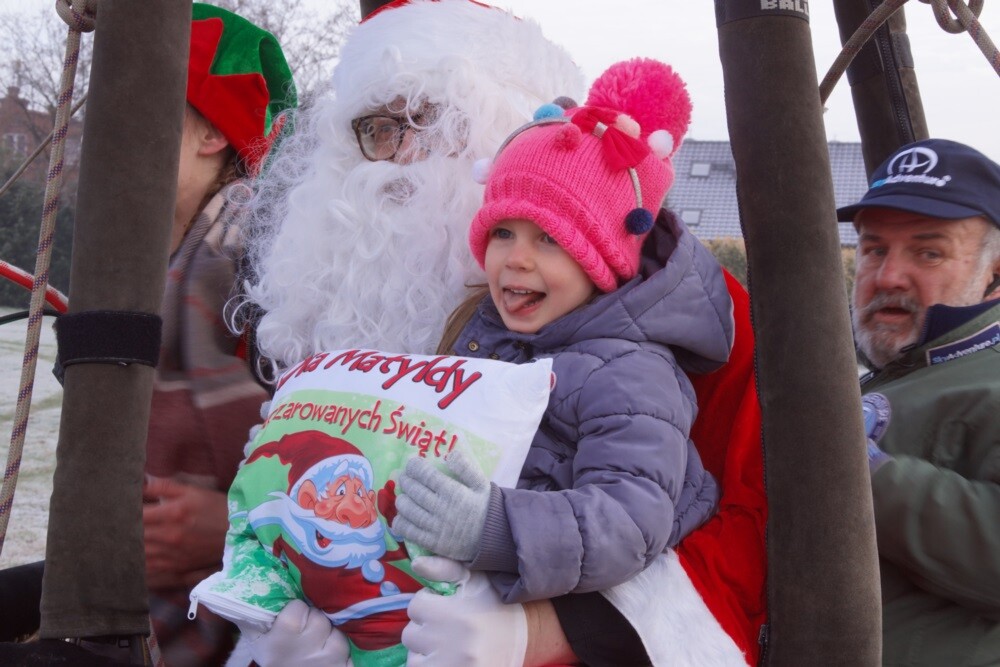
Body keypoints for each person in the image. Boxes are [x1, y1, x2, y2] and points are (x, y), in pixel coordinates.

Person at [236, 1, 766, 665]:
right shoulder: (330, 311)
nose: (396, 160)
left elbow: (745, 535)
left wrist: (550, 632)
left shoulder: (679, 323)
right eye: (376, 129)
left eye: (429, 120)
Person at [0, 5, 297, 665]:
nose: (109, 134)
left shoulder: (264, 262)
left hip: (231, 612)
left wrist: (230, 523)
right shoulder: (135, 268)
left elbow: (343, 453)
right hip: (126, 573)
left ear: (212, 135)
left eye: (136, 109)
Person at [391, 57, 730, 608]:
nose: (516, 259)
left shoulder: (630, 371)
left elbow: (630, 520)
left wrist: (495, 529)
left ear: (602, 259)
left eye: (548, 239)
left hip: (583, 604)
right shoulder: (481, 328)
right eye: (503, 232)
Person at [836, 138, 1000, 666]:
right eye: (874, 248)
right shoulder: (890, 372)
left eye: (928, 252)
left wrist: (862, 473)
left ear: (994, 271)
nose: (887, 276)